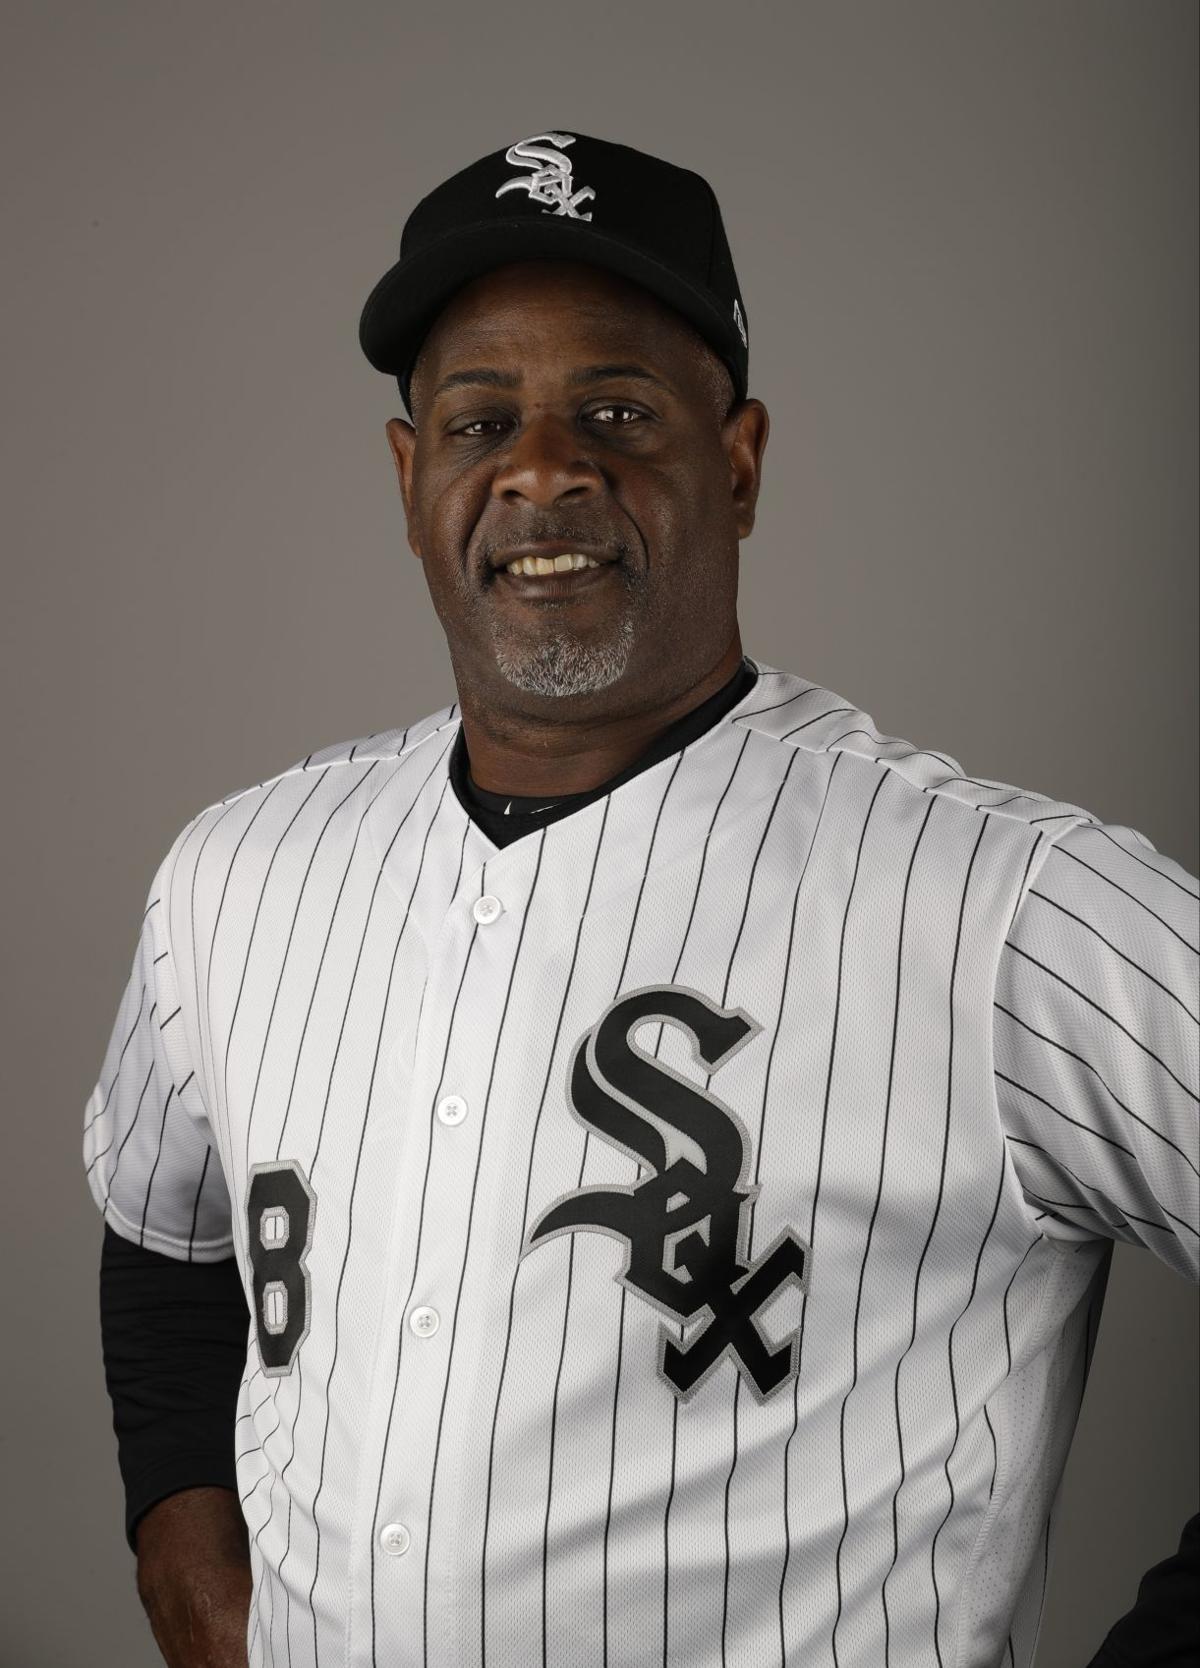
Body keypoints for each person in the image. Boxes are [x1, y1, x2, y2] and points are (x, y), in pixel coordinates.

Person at [85, 130, 1198, 1668]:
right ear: (413, 480)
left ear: (735, 464)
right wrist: (192, 1578)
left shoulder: (1007, 905)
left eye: (617, 411)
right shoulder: (237, 875)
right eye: (483, 420)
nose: (545, 469)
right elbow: (163, 1247)